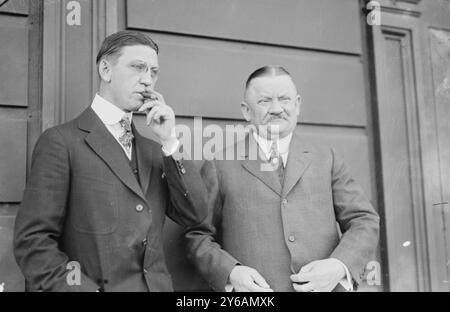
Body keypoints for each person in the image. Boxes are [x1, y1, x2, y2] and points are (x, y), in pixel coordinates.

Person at [13, 30, 207, 292]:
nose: (148, 80)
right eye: (138, 67)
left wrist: (170, 140)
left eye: (153, 72)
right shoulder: (61, 142)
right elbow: (33, 243)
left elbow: (194, 213)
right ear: (106, 70)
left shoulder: (155, 150)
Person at [185, 65, 380, 292]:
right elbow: (197, 235)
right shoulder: (219, 165)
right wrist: (231, 273)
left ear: (297, 105)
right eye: (265, 101)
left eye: (285, 99)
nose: (277, 109)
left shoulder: (327, 158)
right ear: (246, 111)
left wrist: (339, 266)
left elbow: (364, 220)